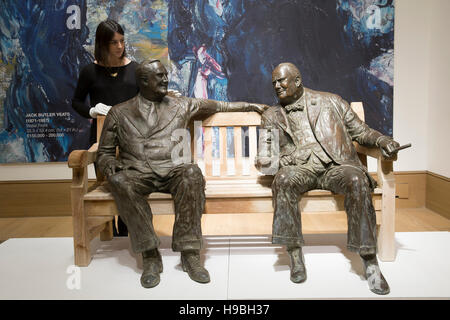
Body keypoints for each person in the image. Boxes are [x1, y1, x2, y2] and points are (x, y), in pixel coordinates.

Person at [96, 59, 266, 288]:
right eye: (160, 76)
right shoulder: (119, 112)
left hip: (174, 169)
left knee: (192, 174)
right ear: (144, 81)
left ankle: (190, 253)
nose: (167, 79)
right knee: (119, 181)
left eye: (166, 75)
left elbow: (220, 106)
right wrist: (109, 164)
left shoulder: (182, 105)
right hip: (138, 172)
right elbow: (104, 152)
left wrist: (250, 106)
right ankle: (149, 255)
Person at [255, 62, 400, 295]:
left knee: (357, 180)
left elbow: (361, 132)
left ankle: (370, 260)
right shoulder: (272, 116)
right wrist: (281, 158)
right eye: (274, 83)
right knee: (283, 180)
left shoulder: (331, 101)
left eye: (281, 81)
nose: (277, 86)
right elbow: (265, 158)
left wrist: (383, 141)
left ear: (297, 81)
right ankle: (294, 253)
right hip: (299, 169)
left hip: (336, 166)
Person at [72, 19, 137, 237]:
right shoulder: (90, 72)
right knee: (109, 186)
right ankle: (111, 234)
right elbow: (77, 102)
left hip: (132, 139)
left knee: (130, 187)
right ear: (102, 44)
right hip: (102, 139)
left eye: (121, 41)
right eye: (113, 42)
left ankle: (127, 233)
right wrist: (92, 111)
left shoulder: (135, 69)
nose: (119, 46)